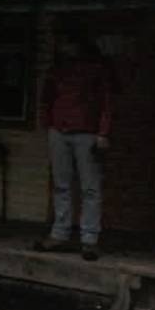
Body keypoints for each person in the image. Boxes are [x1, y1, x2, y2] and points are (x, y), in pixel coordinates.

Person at [35, 31, 112, 261]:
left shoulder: (96, 69)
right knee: (61, 185)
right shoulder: (56, 71)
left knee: (90, 187)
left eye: (69, 44)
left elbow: (107, 101)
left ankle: (89, 239)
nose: (64, 48)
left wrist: (103, 132)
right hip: (59, 131)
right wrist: (48, 125)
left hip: (87, 133)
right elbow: (46, 99)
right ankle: (59, 234)